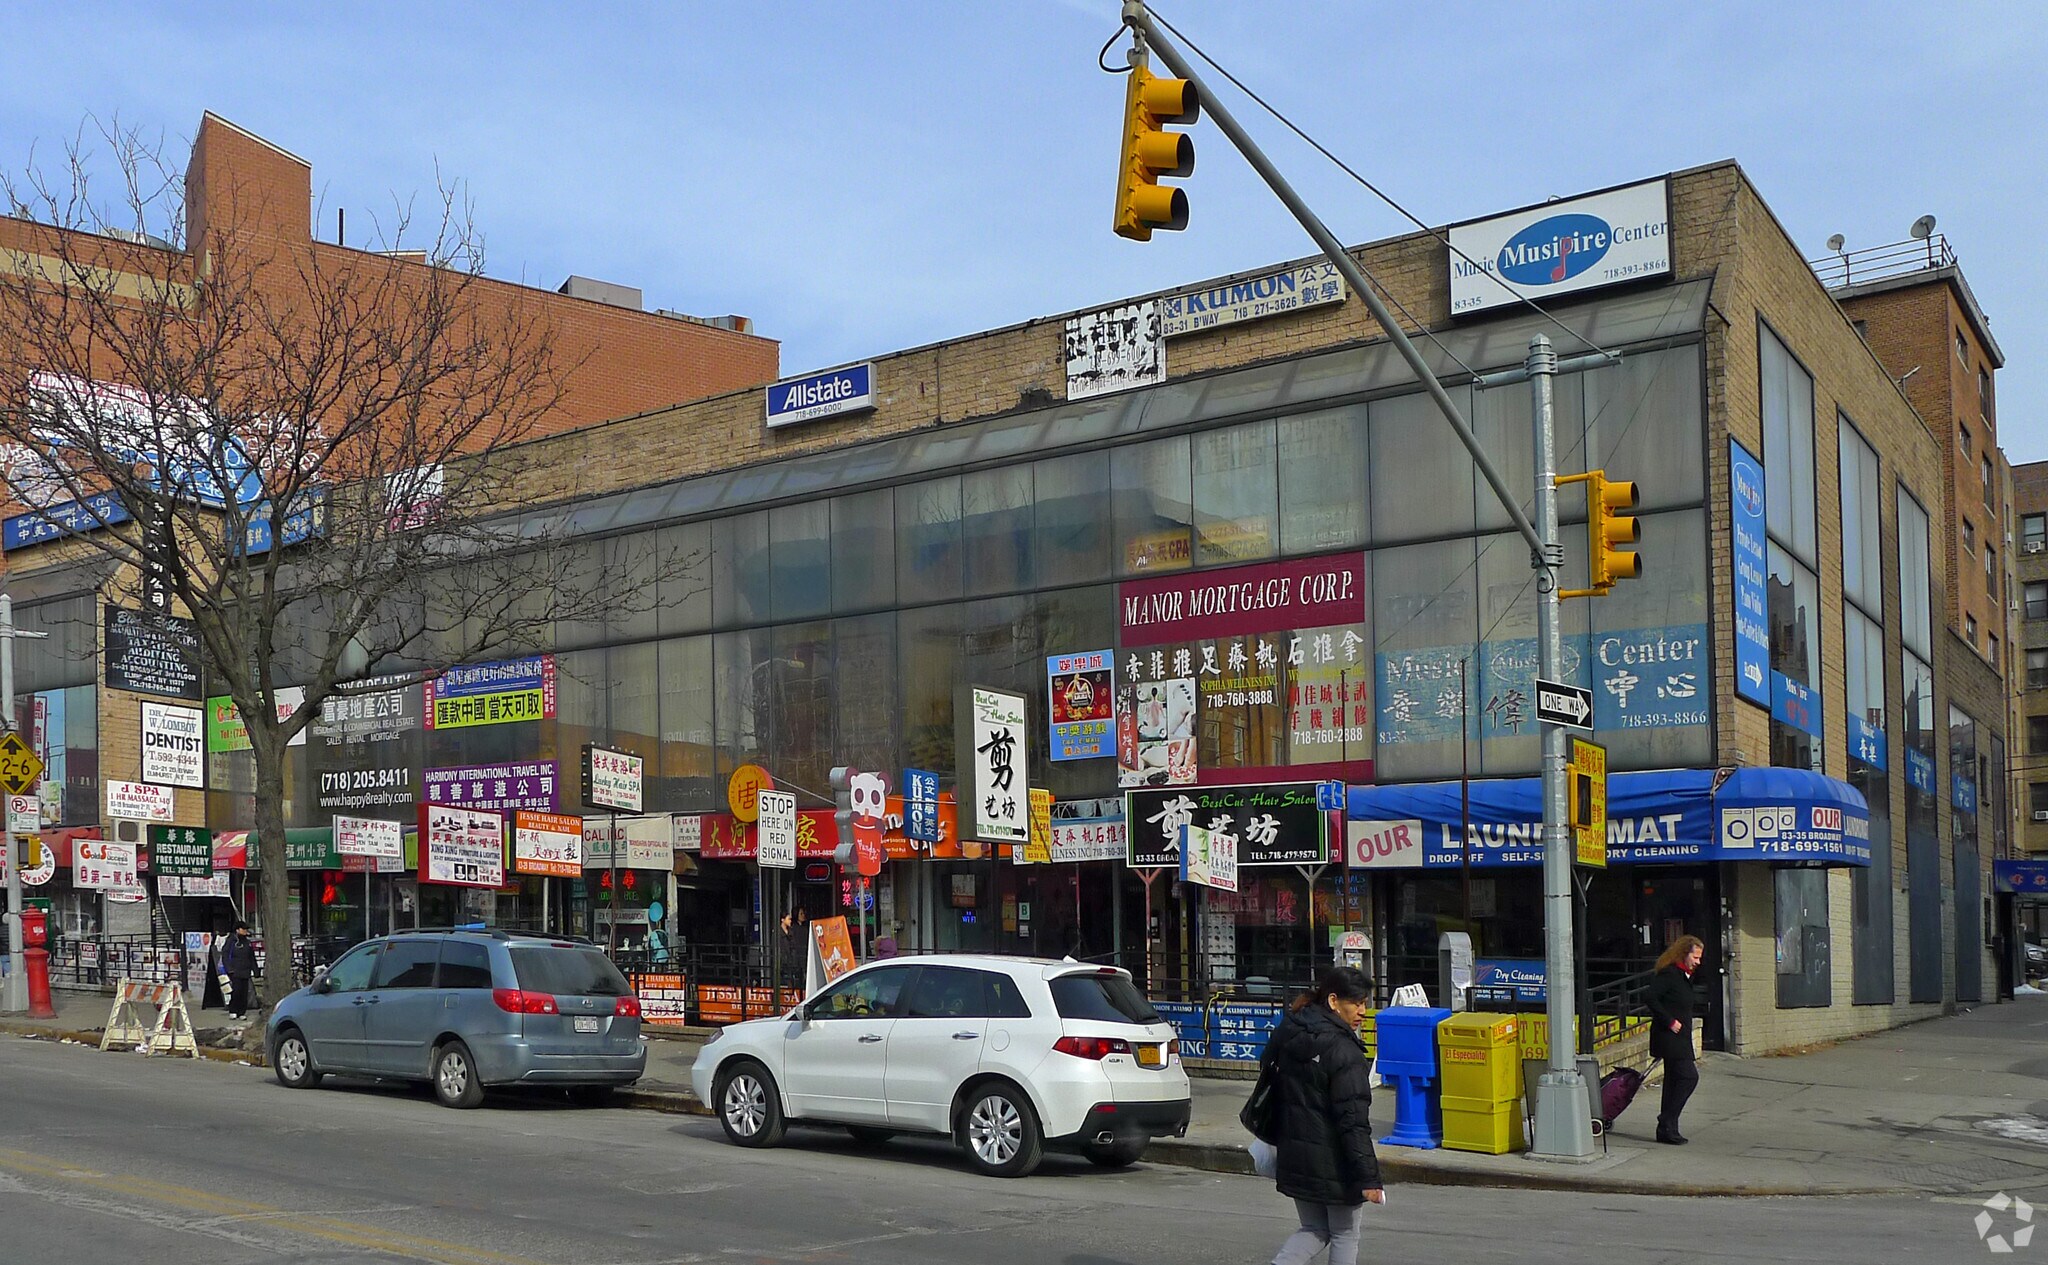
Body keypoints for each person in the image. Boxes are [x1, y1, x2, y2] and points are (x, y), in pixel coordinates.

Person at [1260, 965, 1384, 1265]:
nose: (1363, 1011)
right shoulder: (1344, 1051)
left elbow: (1268, 1071)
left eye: (1364, 1003)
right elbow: (1353, 1121)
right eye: (1356, 1003)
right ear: (1333, 1001)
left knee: (1314, 1227)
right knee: (1344, 1233)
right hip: (1334, 1161)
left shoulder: (1291, 1030)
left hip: (1294, 1152)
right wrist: (1369, 1178)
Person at [1647, 933, 1704, 1145]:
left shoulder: (1685, 977)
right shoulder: (1670, 974)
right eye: (1695, 957)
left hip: (1680, 1037)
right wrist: (1669, 1021)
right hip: (1669, 1036)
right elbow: (1650, 997)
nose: (1698, 962)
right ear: (1683, 954)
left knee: (1673, 1080)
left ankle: (1667, 1129)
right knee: (1689, 1077)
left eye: (1699, 958)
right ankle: (1666, 1119)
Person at [218, 920, 257, 1020]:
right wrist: (229, 968)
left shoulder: (247, 943)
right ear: (237, 930)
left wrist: (255, 969)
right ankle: (233, 1010)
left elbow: (251, 957)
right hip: (235, 971)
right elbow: (225, 955)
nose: (245, 931)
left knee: (244, 992)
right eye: (243, 929)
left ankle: (242, 1012)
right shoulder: (231, 941)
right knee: (236, 991)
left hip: (245, 971)